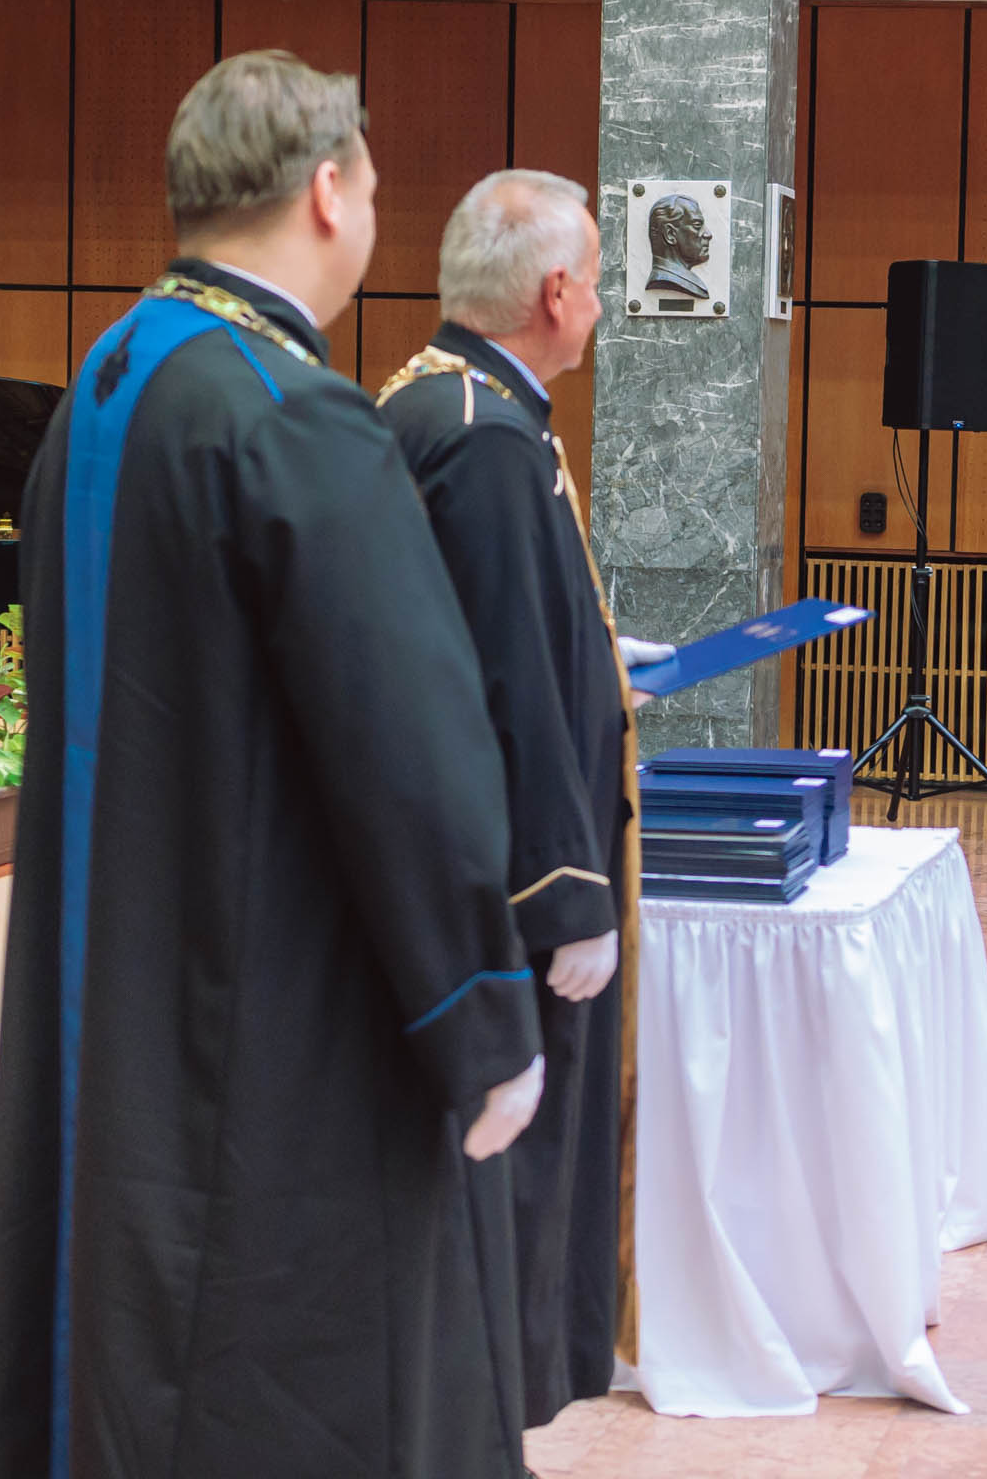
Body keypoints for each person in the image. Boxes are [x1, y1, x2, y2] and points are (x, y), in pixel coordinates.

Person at [0, 51, 547, 1479]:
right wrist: (481, 1012)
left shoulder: (110, 379)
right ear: (329, 191)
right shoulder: (288, 413)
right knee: (287, 1361)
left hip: (121, 988)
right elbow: (413, 751)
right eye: (375, 190)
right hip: (273, 1012)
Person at [375, 169, 666, 1434]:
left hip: (461, 862)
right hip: (514, 886)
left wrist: (599, 656)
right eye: (594, 280)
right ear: (555, 292)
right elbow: (503, 685)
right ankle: (503, 1415)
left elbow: (502, 634)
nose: (598, 303)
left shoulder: (437, 398)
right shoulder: (489, 438)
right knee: (525, 1168)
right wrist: (571, 894)